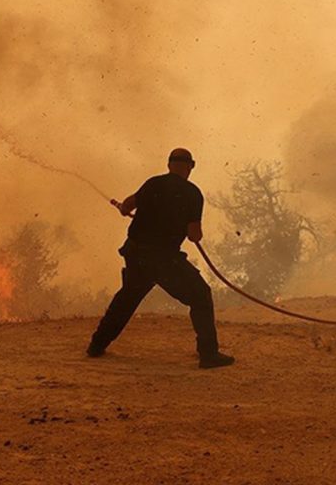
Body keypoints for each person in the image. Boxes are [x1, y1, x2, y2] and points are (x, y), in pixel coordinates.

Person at [87, 148, 235, 369]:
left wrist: (123, 209)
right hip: (165, 259)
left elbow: (127, 205)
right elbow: (194, 234)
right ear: (189, 166)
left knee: (127, 299)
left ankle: (96, 345)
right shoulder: (192, 193)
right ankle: (208, 354)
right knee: (200, 296)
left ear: (169, 165)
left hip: (137, 254)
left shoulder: (153, 183)